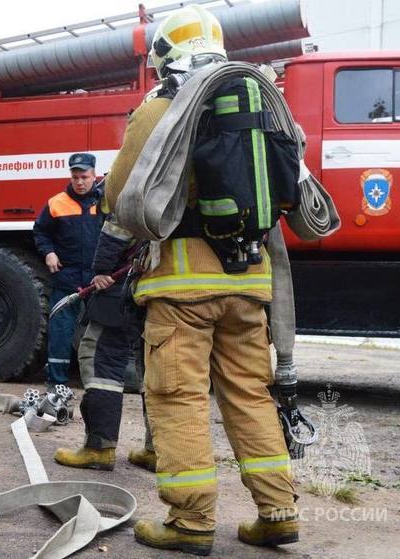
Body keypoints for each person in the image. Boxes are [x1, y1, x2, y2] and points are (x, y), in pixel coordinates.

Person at [104, 6, 298, 556]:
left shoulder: (160, 107)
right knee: (251, 397)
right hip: (251, 281)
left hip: (181, 289)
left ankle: (190, 523)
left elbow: (120, 195)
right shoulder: (259, 107)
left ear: (164, 53)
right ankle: (278, 512)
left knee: (178, 398)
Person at [53, 210, 156, 472]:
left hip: (124, 288)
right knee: (156, 369)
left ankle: (99, 448)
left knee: (101, 360)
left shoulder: (135, 174)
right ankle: (159, 451)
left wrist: (101, 270)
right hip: (168, 290)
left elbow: (119, 226)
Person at [33, 153, 104, 390]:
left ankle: (100, 383)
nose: (80, 182)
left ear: (95, 176)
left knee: (103, 333)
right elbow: (41, 232)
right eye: (75, 177)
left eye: (84, 176)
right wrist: (48, 252)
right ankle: (56, 384)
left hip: (97, 280)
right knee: (60, 333)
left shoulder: (105, 203)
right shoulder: (56, 203)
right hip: (67, 279)